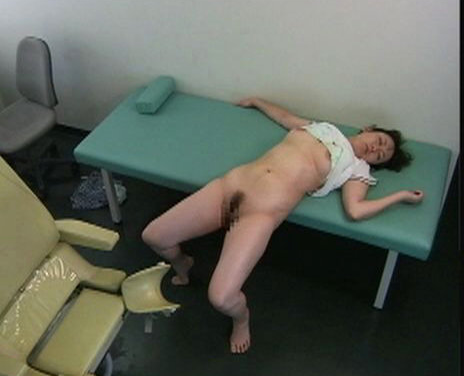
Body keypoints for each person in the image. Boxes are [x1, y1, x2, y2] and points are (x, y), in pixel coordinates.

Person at [141, 96, 424, 354]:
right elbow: (286, 118)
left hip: (258, 214)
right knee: (154, 236)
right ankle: (183, 263)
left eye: (380, 155)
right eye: (380, 140)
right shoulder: (323, 128)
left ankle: (242, 320)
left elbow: (356, 210)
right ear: (368, 129)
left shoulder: (356, 169)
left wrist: (400, 196)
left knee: (222, 298)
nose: (376, 148)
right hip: (229, 188)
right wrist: (257, 101)